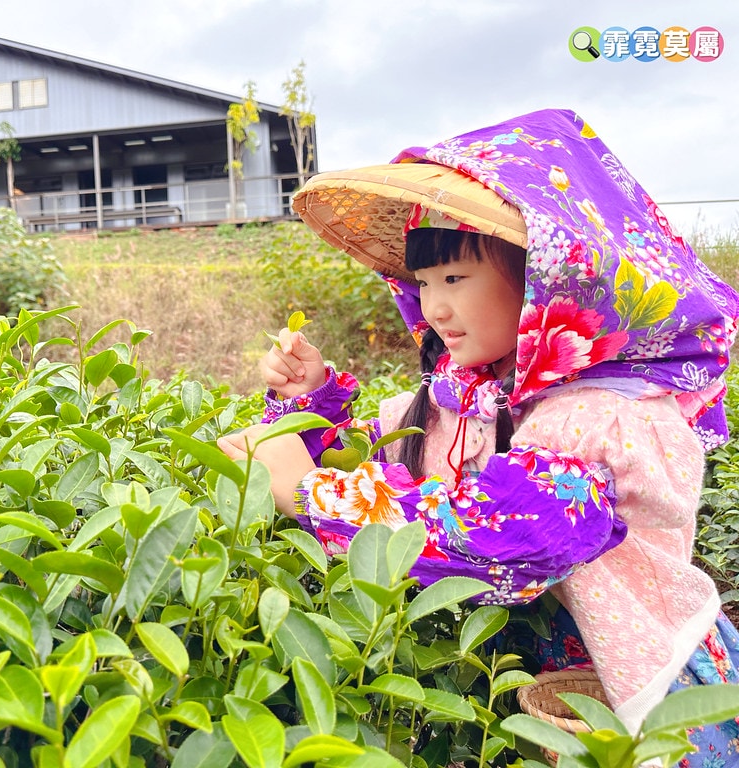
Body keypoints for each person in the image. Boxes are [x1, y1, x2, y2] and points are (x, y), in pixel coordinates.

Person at [218, 108, 739, 763]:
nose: (434, 308)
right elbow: (390, 457)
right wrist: (309, 403)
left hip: (640, 694)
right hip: (525, 690)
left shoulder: (602, 413)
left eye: (456, 279)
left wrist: (310, 493)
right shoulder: (474, 392)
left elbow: (511, 529)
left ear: (544, 277)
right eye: (425, 282)